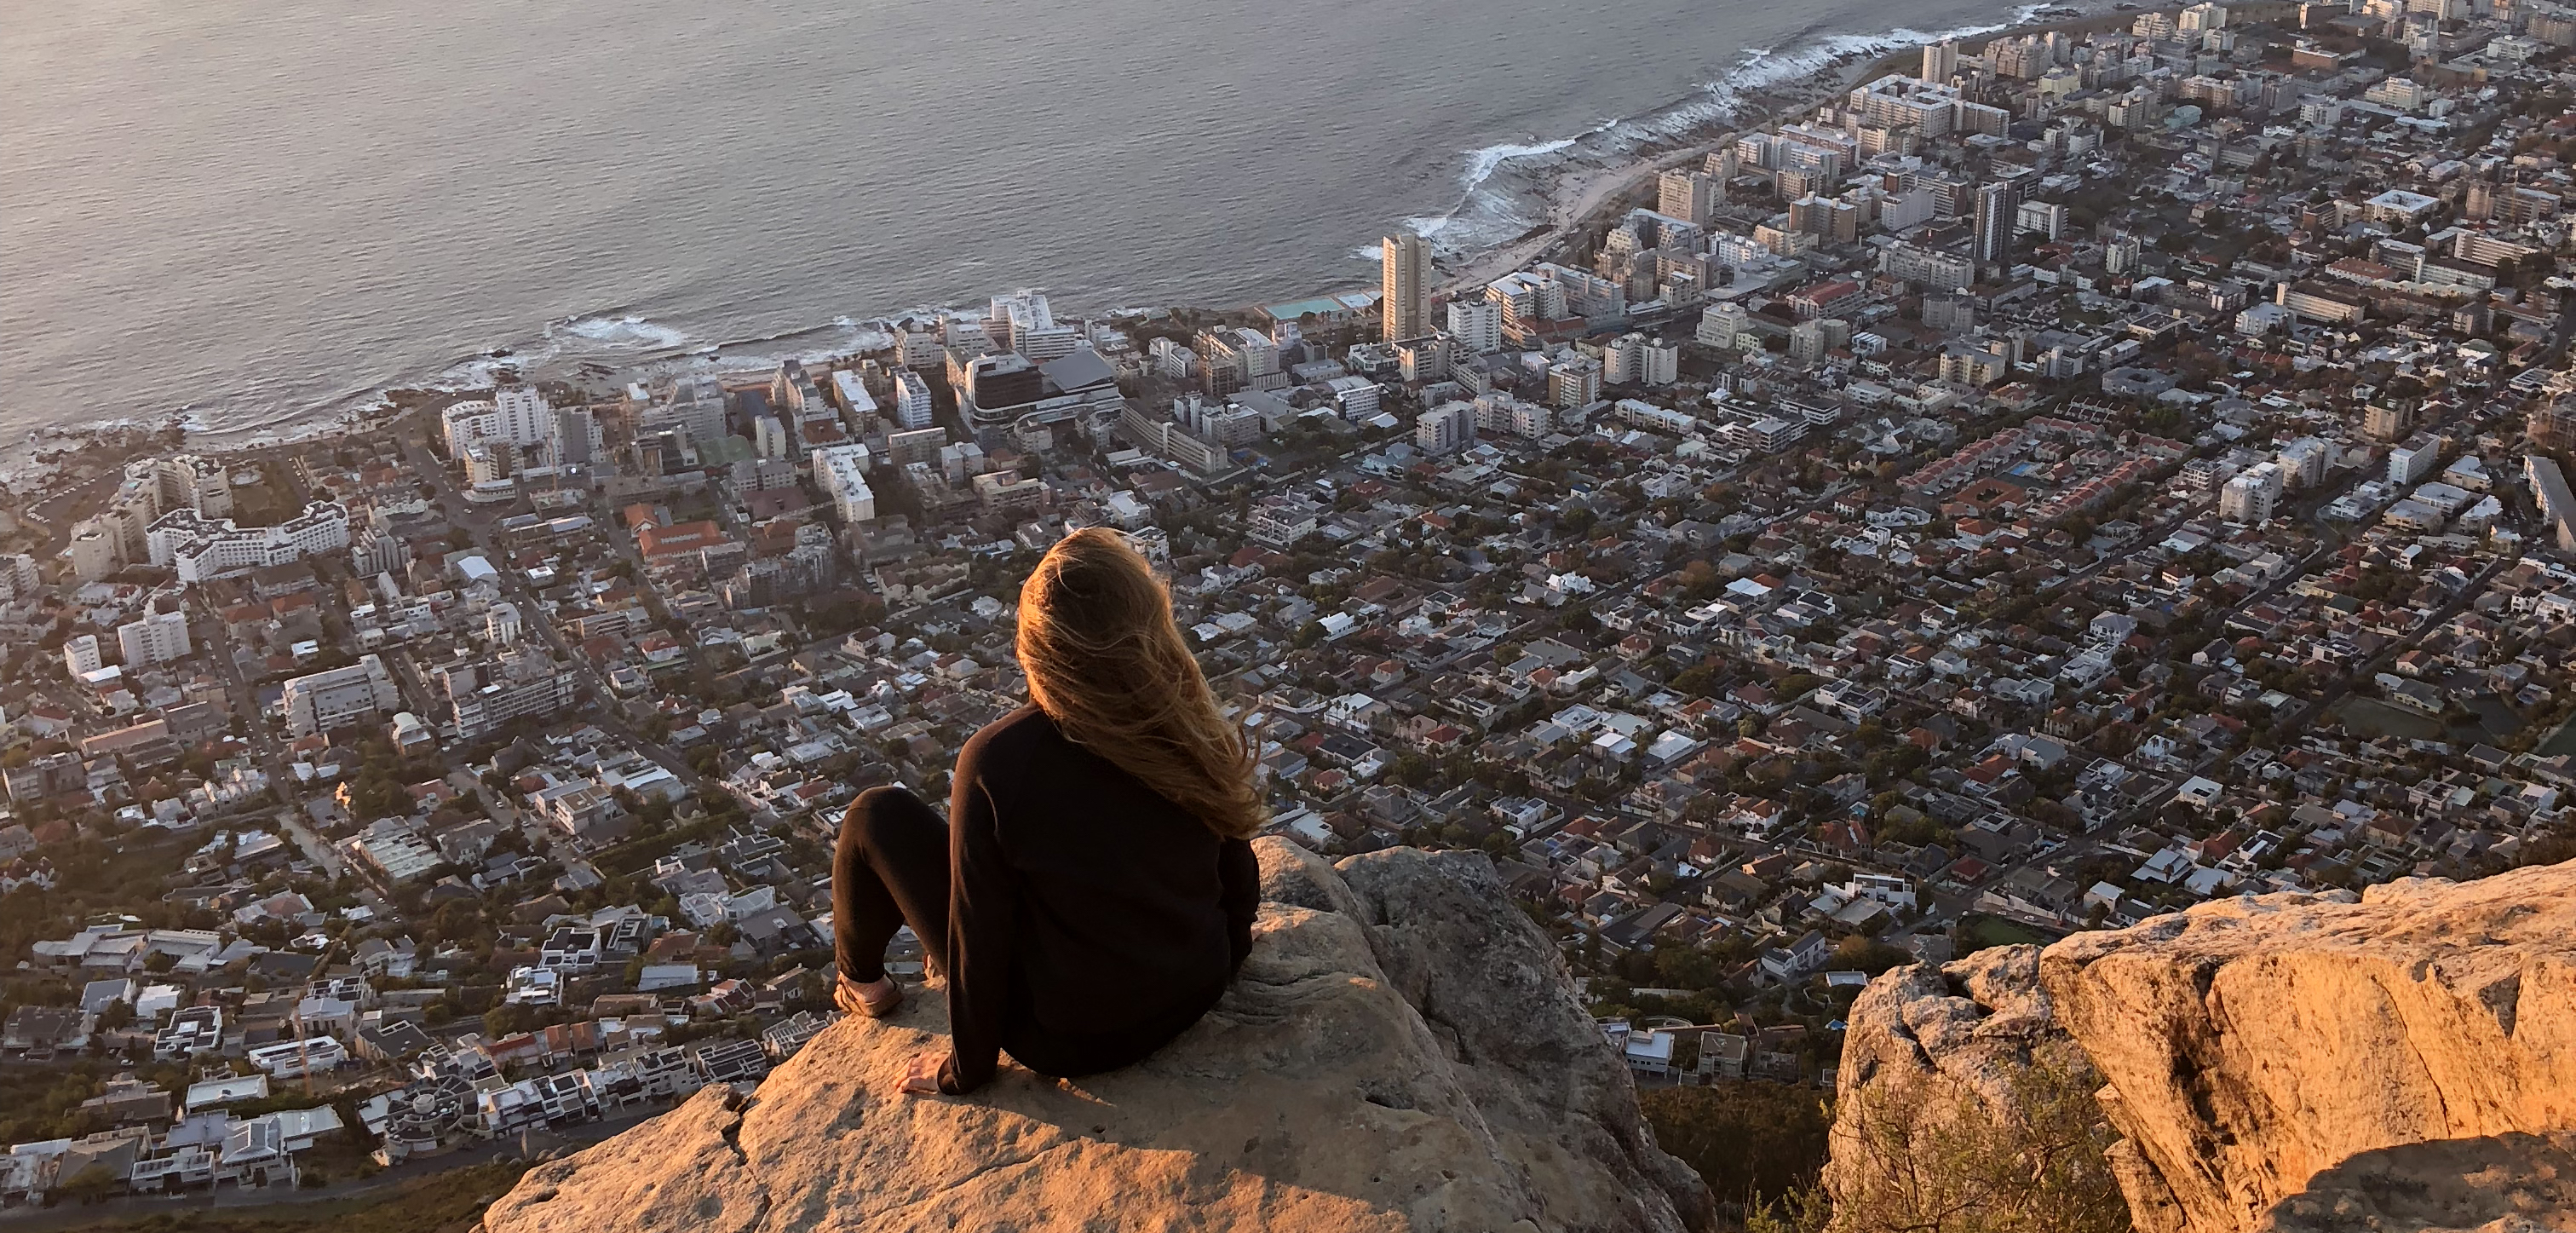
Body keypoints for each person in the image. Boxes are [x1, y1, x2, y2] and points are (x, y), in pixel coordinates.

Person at [831, 527, 1265, 1096]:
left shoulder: (996, 763)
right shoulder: (1179, 710)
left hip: (1070, 1041)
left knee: (875, 814)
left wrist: (964, 1070)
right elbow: (1234, 849)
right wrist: (1231, 953)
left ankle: (862, 985)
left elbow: (977, 939)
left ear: (1039, 648)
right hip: (1199, 983)